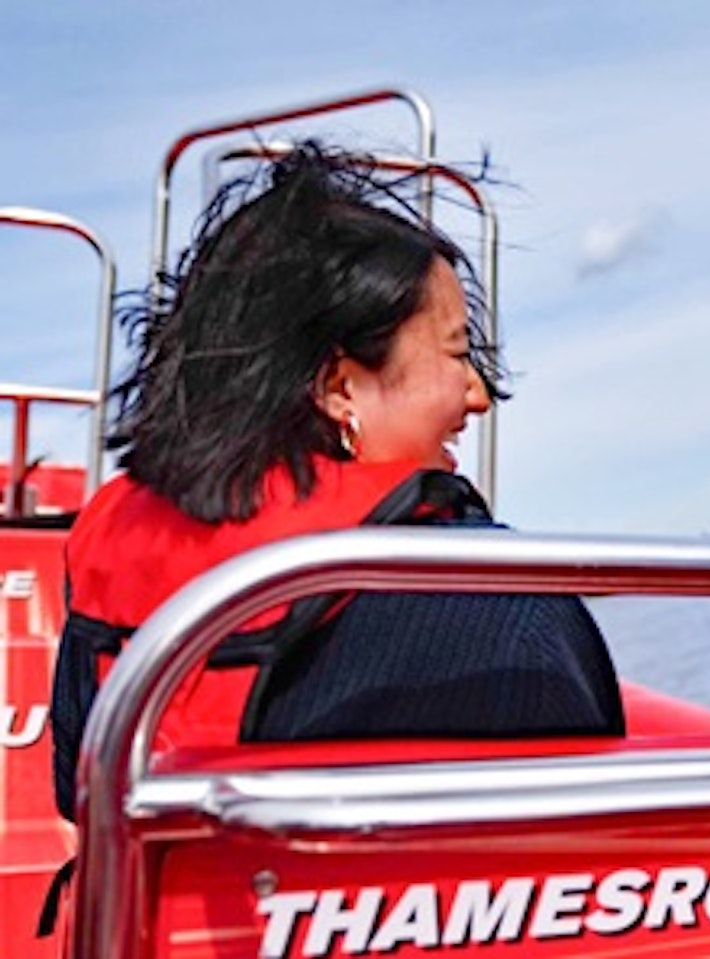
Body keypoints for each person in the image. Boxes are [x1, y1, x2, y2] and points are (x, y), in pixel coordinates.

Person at [49, 143, 625, 823]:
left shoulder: (111, 575)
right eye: (455, 352)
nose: (476, 394)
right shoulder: (506, 617)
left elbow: (73, 793)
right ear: (339, 387)